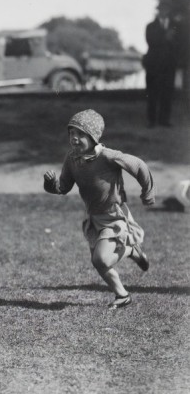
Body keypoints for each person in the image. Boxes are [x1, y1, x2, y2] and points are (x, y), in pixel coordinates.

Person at [43, 109, 154, 309]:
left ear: (93, 137)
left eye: (81, 134)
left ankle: (130, 249)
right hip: (94, 218)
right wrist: (50, 184)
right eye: (71, 133)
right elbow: (63, 188)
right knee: (99, 262)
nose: (74, 138)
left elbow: (139, 166)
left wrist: (148, 193)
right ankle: (122, 295)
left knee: (101, 259)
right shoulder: (72, 159)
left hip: (114, 216)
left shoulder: (108, 156)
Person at [144, 2, 179, 127]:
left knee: (167, 93)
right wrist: (165, 37)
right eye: (161, 9)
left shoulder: (176, 26)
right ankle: (151, 121)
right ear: (158, 11)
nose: (163, 11)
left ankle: (164, 120)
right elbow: (150, 41)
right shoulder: (150, 26)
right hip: (154, 64)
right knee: (152, 93)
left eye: (166, 9)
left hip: (169, 64)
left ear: (168, 10)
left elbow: (181, 43)